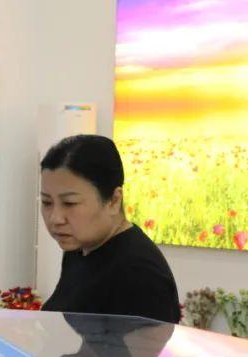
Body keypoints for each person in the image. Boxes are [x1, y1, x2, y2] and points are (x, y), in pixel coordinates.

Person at [39, 134, 180, 324]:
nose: (55, 218)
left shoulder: (139, 274)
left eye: (70, 203)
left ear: (114, 200)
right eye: (47, 202)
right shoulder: (80, 247)